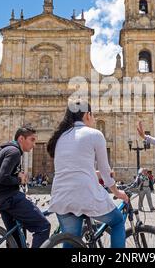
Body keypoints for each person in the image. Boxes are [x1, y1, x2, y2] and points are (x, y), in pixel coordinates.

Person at [47, 100, 129, 248]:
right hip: (85, 195)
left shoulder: (59, 137)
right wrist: (117, 192)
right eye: (93, 115)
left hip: (61, 196)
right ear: (86, 115)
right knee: (117, 222)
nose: (94, 119)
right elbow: (105, 170)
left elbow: (74, 169)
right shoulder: (95, 134)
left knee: (71, 240)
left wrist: (94, 174)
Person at [0, 125, 51, 248]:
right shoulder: (14, 152)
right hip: (10, 198)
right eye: (32, 140)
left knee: (16, 240)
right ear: (21, 139)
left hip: (0, 199)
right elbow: (3, 177)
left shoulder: (8, 149)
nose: (34, 144)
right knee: (43, 226)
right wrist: (20, 179)